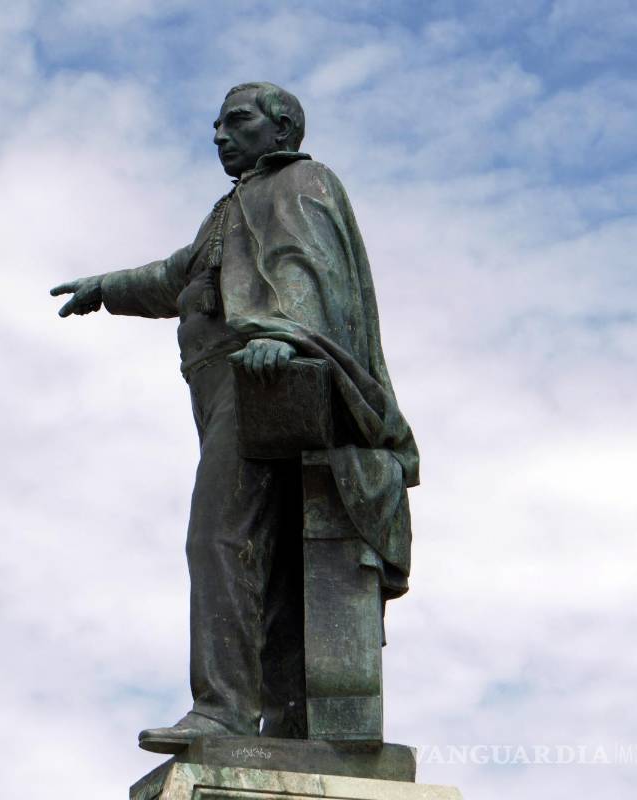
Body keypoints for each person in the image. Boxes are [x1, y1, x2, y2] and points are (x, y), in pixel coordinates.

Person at [51, 83, 419, 753]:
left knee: (220, 538)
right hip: (232, 387)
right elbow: (180, 276)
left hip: (266, 381)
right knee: (272, 556)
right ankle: (287, 721)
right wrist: (106, 289)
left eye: (236, 121)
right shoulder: (235, 205)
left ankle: (223, 710)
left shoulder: (299, 181)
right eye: (215, 124)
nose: (219, 134)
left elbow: (307, 267)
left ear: (282, 128)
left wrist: (284, 333)